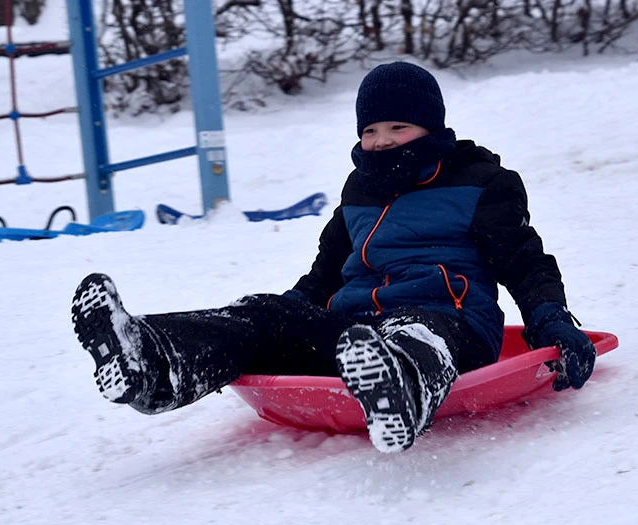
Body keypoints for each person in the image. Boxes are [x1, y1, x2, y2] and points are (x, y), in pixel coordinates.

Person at [71, 61, 596, 453]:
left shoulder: (482, 183)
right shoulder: (359, 190)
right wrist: (283, 318)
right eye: (370, 131)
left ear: (430, 130)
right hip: (356, 334)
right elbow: (325, 272)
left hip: (451, 323)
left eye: (397, 128)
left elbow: (524, 261)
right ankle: (153, 362)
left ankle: (401, 393)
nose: (382, 142)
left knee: (416, 330)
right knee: (262, 313)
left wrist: (551, 319)